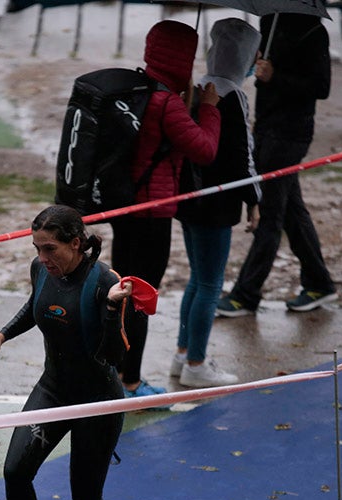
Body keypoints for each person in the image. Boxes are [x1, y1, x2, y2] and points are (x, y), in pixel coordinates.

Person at [0, 204, 132, 500]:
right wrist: (1, 336)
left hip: (97, 401)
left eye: (50, 249)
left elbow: (114, 355)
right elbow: (37, 306)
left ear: (75, 243)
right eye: (37, 248)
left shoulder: (105, 282)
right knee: (15, 471)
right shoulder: (41, 269)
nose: (42, 257)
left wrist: (112, 308)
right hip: (54, 389)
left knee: (85, 495)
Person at [110, 19, 221, 398]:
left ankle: (114, 375)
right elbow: (204, 150)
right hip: (152, 216)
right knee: (140, 300)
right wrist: (208, 109)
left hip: (124, 210)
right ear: (183, 58)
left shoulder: (138, 90)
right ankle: (130, 383)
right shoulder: (167, 102)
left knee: (121, 295)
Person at [216, 13, 336, 317]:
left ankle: (246, 294)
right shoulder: (269, 21)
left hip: (291, 132)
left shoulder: (313, 31)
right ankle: (319, 283)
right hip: (265, 126)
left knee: (270, 212)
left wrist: (276, 76)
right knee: (292, 209)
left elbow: (321, 87)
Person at [172, 18, 261, 388]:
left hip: (189, 201)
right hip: (217, 205)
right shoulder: (233, 96)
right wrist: (254, 199)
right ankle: (196, 363)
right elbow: (243, 155)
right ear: (244, 59)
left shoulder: (194, 88)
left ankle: (182, 354)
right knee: (210, 284)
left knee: (197, 279)